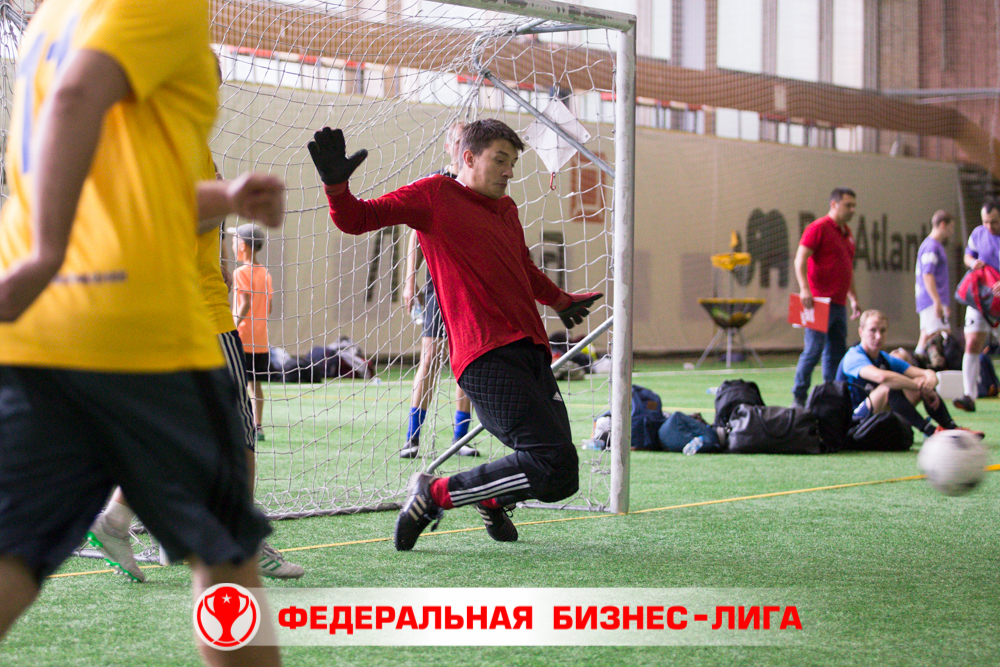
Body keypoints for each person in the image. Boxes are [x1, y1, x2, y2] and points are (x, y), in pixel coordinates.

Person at [0, 1, 284, 664]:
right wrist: (46, 251)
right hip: (142, 336)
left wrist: (228, 197)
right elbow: (76, 97)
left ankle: (116, 517)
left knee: (12, 553)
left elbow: (120, 190)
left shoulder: (55, 17)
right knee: (225, 555)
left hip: (42, 334)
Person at [308, 120, 601, 550]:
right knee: (550, 459)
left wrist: (560, 300)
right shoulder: (434, 194)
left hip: (531, 351)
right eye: (500, 160)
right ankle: (435, 493)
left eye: (513, 163)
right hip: (485, 358)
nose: (509, 171)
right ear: (468, 158)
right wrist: (336, 187)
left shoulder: (507, 209)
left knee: (563, 476)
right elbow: (357, 219)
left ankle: (493, 497)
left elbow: (523, 268)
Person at [87, 190, 303, 583]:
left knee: (175, 433)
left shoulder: (183, 162)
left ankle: (120, 521)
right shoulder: (178, 160)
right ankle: (241, 540)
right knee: (240, 433)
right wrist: (231, 199)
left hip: (179, 312)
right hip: (204, 319)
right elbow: (179, 218)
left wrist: (219, 252)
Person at [401, 122, 478, 459]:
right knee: (430, 357)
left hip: (472, 288)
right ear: (449, 146)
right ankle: (412, 437)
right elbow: (416, 235)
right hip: (438, 287)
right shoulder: (435, 184)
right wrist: (409, 280)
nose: (464, 147)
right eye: (459, 141)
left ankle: (461, 437)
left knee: (468, 359)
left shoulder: (479, 186)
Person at [836, 311, 981, 439]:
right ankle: (930, 431)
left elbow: (927, 373)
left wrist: (929, 382)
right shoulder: (854, 356)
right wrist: (919, 386)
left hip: (875, 414)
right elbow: (882, 377)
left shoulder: (883, 357)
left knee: (919, 382)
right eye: (872, 330)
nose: (878, 336)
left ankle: (952, 428)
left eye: (883, 330)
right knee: (890, 385)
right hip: (852, 421)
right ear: (861, 332)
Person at [791, 187, 862, 407]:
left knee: (836, 354)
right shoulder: (818, 228)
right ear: (834, 204)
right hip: (818, 302)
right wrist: (805, 289)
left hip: (839, 304)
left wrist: (853, 298)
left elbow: (847, 269)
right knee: (813, 351)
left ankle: (830, 398)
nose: (852, 210)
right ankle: (799, 397)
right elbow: (800, 259)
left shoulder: (847, 234)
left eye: (854, 205)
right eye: (848, 205)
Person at [954, 197, 1000, 412]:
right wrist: (973, 263)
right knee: (972, 342)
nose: (989, 226)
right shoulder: (978, 234)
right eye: (986, 221)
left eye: (994, 222)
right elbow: (968, 256)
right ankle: (969, 395)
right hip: (981, 298)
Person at [232, 223, 275, 441]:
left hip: (242, 338)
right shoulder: (265, 273)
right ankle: (258, 427)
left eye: (234, 241)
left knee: (237, 384)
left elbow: (245, 303)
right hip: (261, 340)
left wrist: (232, 325)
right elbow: (269, 307)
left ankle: (239, 425)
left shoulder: (240, 272)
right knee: (255, 385)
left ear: (243, 246)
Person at [914, 211, 955, 358]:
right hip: (930, 300)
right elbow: (927, 274)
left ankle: (914, 363)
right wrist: (937, 301)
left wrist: (942, 302)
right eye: (951, 227)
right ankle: (920, 365)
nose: (952, 231)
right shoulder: (931, 246)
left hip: (933, 300)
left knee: (927, 336)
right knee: (938, 336)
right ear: (943, 225)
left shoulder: (934, 246)